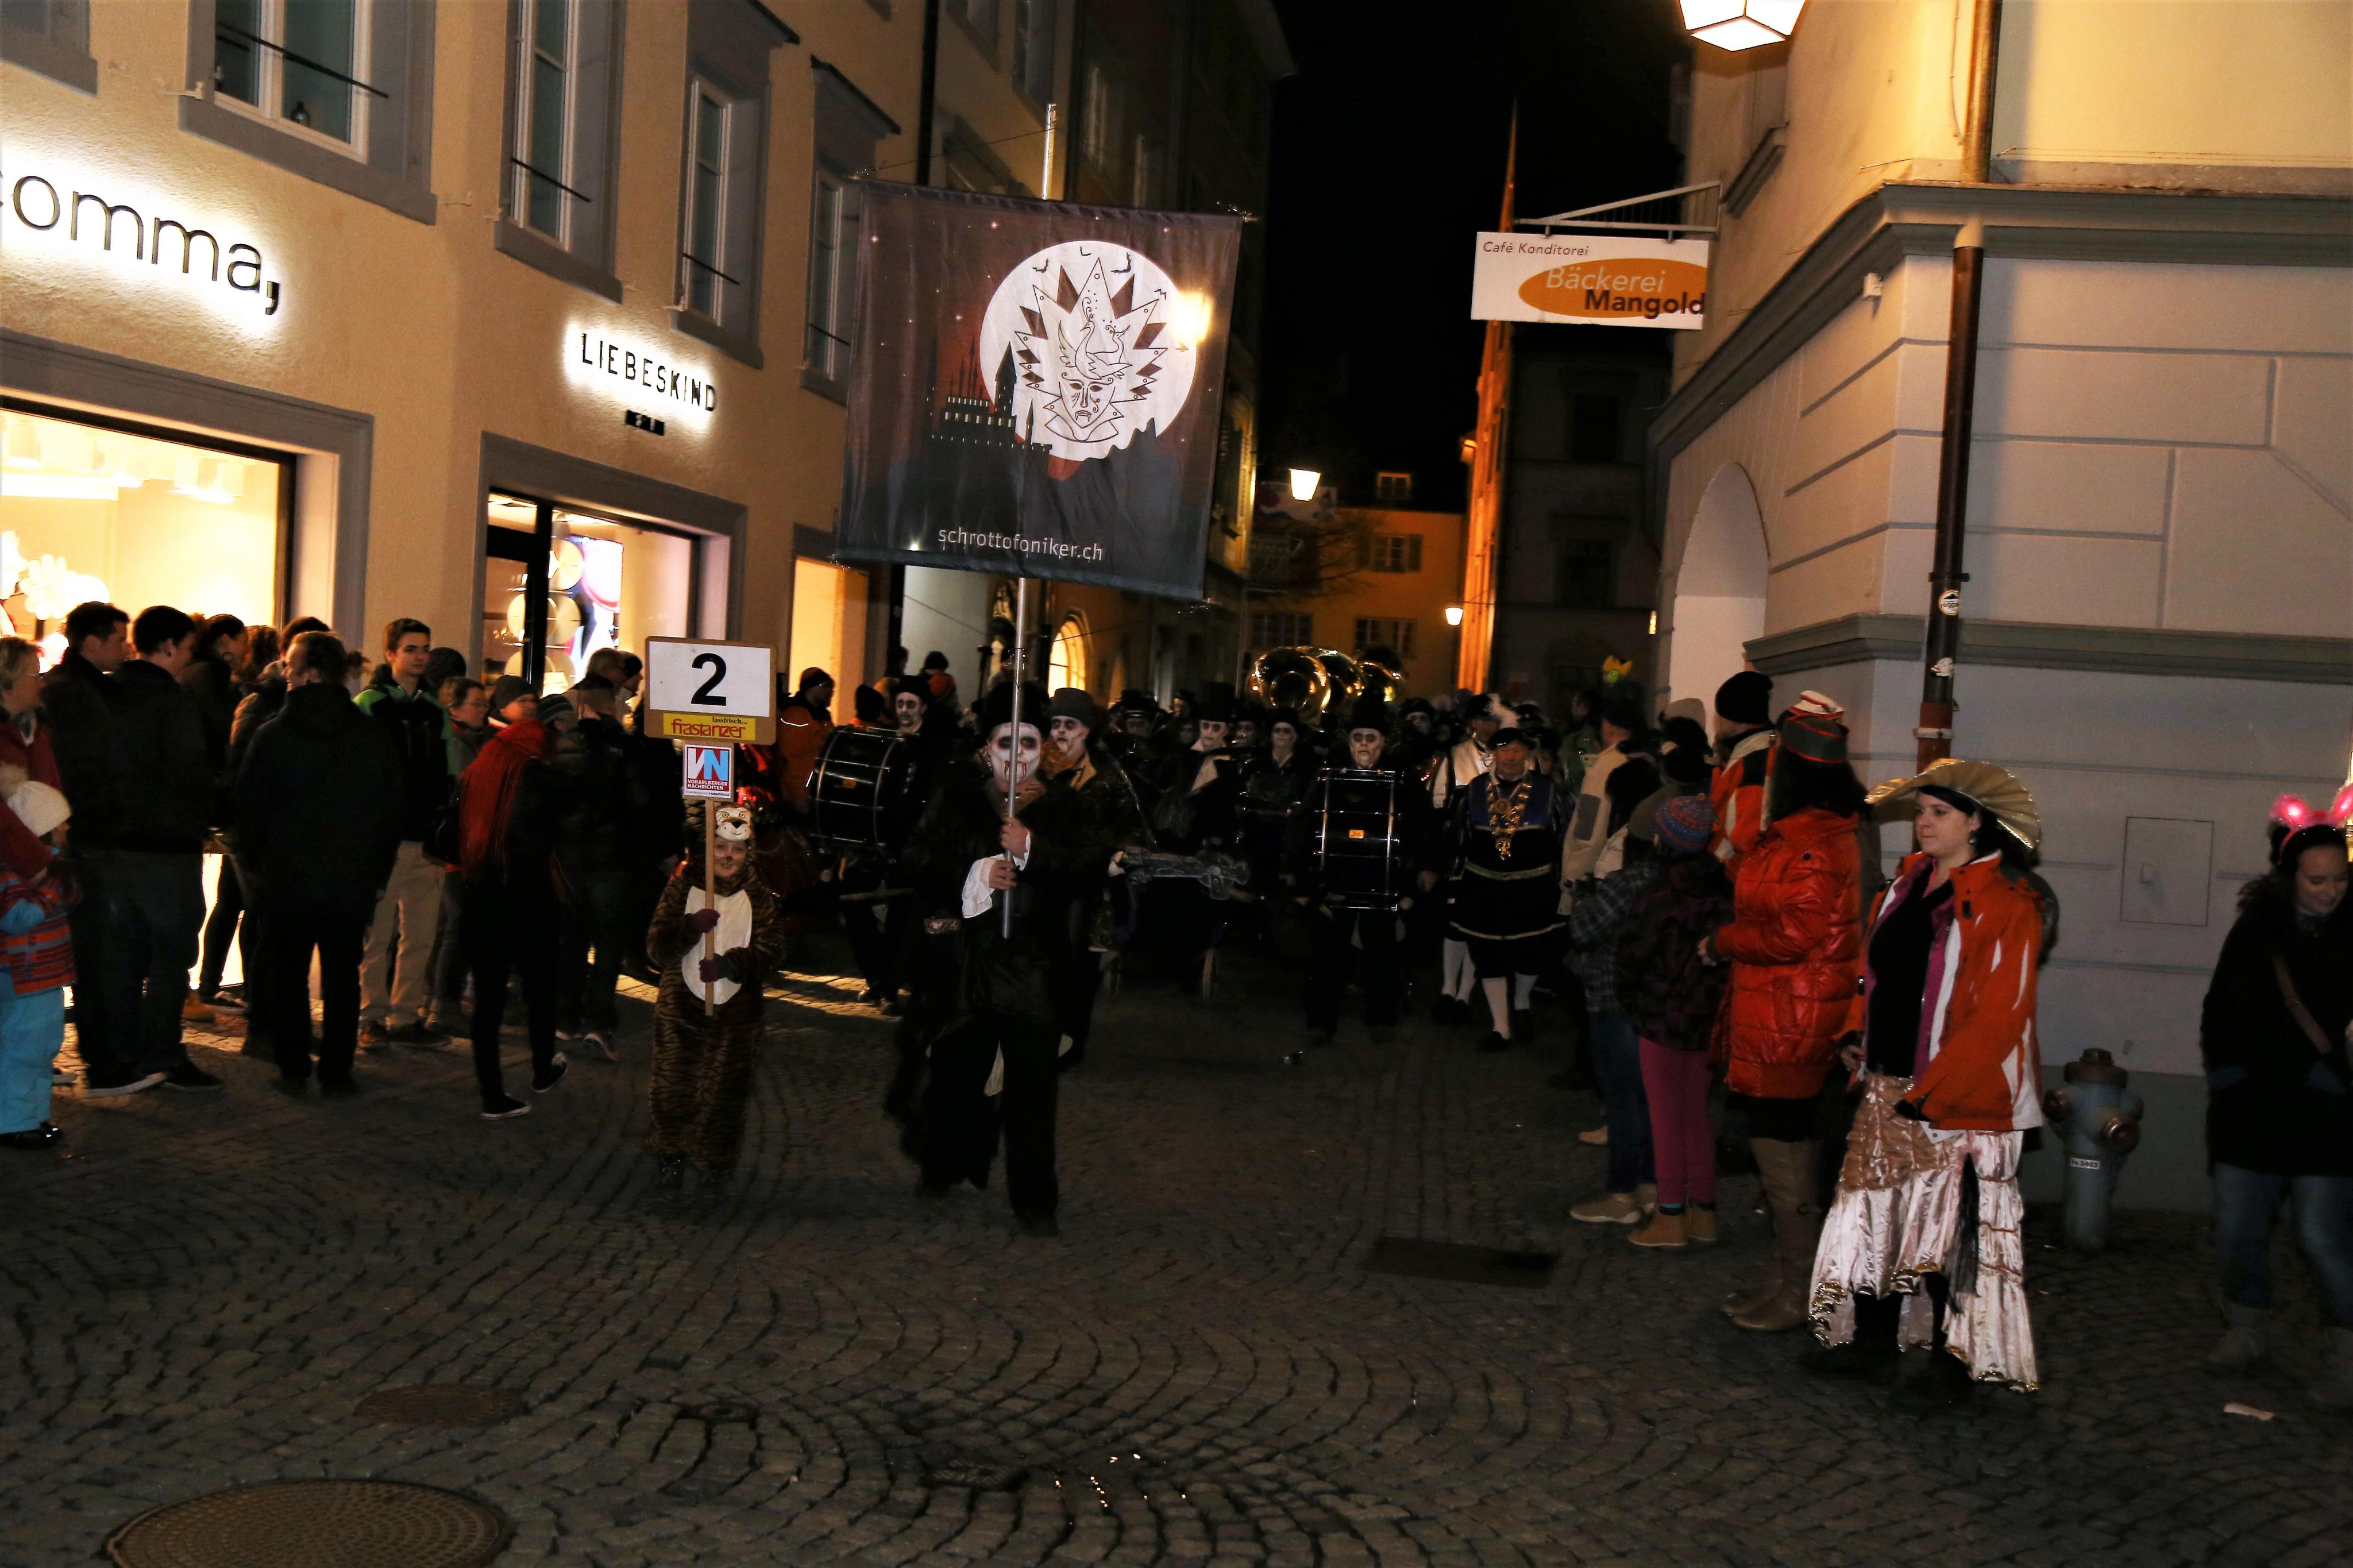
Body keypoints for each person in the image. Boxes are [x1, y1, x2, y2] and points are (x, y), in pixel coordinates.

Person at [1807, 759, 2052, 1401]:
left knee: (1949, 1233)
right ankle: (1870, 1341)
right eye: (1920, 812)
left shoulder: (2006, 903)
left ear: (1976, 823)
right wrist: (1855, 1034)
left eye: (1939, 813)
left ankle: (1955, 1363)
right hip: (1888, 1083)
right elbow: (1874, 974)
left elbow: (1999, 1016)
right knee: (1875, 1217)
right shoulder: (1904, 886)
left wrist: (1934, 1094)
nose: (1923, 822)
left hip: (1957, 1099)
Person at [901, 681, 1098, 1235]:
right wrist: (976, 870)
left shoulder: (1066, 808)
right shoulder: (957, 799)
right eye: (1006, 743)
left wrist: (1031, 849)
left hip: (1035, 969)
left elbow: (1086, 868)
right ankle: (943, 1166)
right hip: (968, 965)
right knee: (955, 1075)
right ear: (988, 748)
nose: (1018, 756)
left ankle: (1035, 1202)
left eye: (1029, 744)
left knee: (1033, 1091)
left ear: (1044, 750)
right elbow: (915, 857)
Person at [1707, 694, 1864, 1333]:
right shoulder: (1799, 836)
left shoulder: (1814, 844)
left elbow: (1795, 935)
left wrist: (1724, 940)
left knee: (1784, 1154)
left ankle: (1801, 1289)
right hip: (1778, 1011)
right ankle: (1788, 1279)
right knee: (1781, 1150)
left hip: (1792, 1020)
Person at [2196, 796, 2352, 1411]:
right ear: (2290, 877)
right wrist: (2229, 1076)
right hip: (2252, 1113)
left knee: (2322, 1237)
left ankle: (2347, 1357)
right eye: (2317, 880)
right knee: (2237, 1231)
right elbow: (2221, 1009)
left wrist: (2332, 1078)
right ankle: (2246, 1327)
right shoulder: (2256, 931)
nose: (2330, 891)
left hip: (2327, 1118)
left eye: (2340, 879)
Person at [231, 631, 404, 1096]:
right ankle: (337, 1071)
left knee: (288, 976)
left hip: (286, 880)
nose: (285, 674)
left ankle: (292, 1067)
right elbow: (389, 812)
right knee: (343, 977)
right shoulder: (371, 736)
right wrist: (377, 873)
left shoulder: (274, 736)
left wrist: (258, 868)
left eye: (290, 666)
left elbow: (248, 811)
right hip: (350, 879)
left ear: (308, 674)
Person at [63, 605, 224, 1095]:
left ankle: (125, 1053)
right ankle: (162, 1054)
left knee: (123, 957)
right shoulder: (171, 702)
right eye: (188, 648)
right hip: (166, 846)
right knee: (171, 953)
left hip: (113, 845)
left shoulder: (107, 694)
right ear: (170, 647)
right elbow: (189, 775)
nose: (190, 658)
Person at [644, 804, 785, 1197]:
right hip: (682, 1009)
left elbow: (773, 949)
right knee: (675, 1087)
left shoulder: (758, 895)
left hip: (736, 1015)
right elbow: (656, 949)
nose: (728, 856)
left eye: (737, 849)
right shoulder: (682, 887)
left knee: (726, 1093)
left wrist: (731, 964)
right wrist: (689, 928)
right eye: (721, 847)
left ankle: (715, 1166)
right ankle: (671, 1159)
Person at [1614, 794, 1734, 1249]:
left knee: (1665, 1117)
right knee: (1697, 1115)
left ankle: (1670, 1214)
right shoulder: (1725, 890)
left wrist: (1636, 1002)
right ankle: (1704, 1211)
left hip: (1662, 1019)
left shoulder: (1658, 894)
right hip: (1707, 1019)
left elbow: (1633, 957)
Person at [1286, 696, 1439, 1048]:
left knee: (1382, 952)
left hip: (1382, 876)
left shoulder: (1402, 776)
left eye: (1371, 738)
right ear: (1350, 741)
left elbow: (1425, 824)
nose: (1365, 745)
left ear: (1383, 742)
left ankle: (1382, 1018)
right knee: (1328, 954)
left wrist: (1428, 866)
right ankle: (1321, 1022)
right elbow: (1304, 821)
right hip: (1336, 876)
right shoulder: (1330, 773)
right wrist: (1295, 871)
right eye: (1359, 738)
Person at [456, 678, 572, 1119]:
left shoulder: (484, 763)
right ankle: (542, 1069)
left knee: (488, 999)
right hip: (528, 897)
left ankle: (492, 1092)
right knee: (539, 989)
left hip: (481, 892)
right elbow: (553, 833)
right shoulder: (539, 774)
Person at [1563, 778, 1669, 1226]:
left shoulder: (1631, 882)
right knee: (1650, 1101)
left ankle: (1622, 1194)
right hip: (1660, 1003)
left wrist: (1584, 899)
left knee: (1624, 1101)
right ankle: (1649, 1186)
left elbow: (1585, 929)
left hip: (1617, 1000)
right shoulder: (1683, 880)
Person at [353, 619, 455, 1046]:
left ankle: (405, 1017)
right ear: (391, 653)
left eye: (425, 649)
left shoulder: (434, 711)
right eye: (411, 648)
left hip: (425, 839)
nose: (420, 656)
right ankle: (371, 1017)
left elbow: (449, 773)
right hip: (386, 839)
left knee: (420, 936)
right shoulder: (370, 704)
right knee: (378, 936)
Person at [1445, 727, 1568, 1052]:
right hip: (1483, 889)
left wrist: (1565, 882)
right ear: (1493, 755)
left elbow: (1564, 839)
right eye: (1503, 751)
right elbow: (1459, 841)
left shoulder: (1549, 791)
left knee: (1531, 953)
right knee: (1487, 955)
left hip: (1533, 889)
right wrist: (1454, 882)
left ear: (1527, 754)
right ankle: (1501, 1027)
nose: (1510, 757)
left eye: (1516, 750)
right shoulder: (1473, 790)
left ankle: (1522, 1004)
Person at [554, 677, 642, 1059]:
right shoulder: (625, 746)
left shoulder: (565, 744)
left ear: (582, 705)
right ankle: (598, 1023)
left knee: (572, 941)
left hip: (571, 860)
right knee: (608, 946)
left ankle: (565, 1018)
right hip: (613, 859)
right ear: (610, 704)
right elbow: (640, 801)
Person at [0, 777, 75, 1149]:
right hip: (28, 978)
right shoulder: (14, 870)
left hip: (38, 976)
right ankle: (16, 1123)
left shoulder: (44, 866)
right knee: (27, 1049)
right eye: (60, 823)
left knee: (37, 1047)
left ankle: (30, 1116)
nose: (67, 829)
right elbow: (18, 918)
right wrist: (51, 886)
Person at [1429, 696, 1500, 1017]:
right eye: (1481, 720)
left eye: (1492, 720)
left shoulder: (1513, 756)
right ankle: (1448, 987)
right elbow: (1438, 802)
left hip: (1496, 852)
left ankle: (1465, 992)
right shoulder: (1456, 754)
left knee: (1481, 923)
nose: (1486, 726)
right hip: (1460, 850)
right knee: (1455, 920)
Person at [1708, 671, 1777, 871]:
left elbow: (1747, 840)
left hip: (1736, 878)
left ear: (1735, 718)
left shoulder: (1754, 765)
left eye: (1720, 713)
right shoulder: (1754, 754)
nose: (1718, 719)